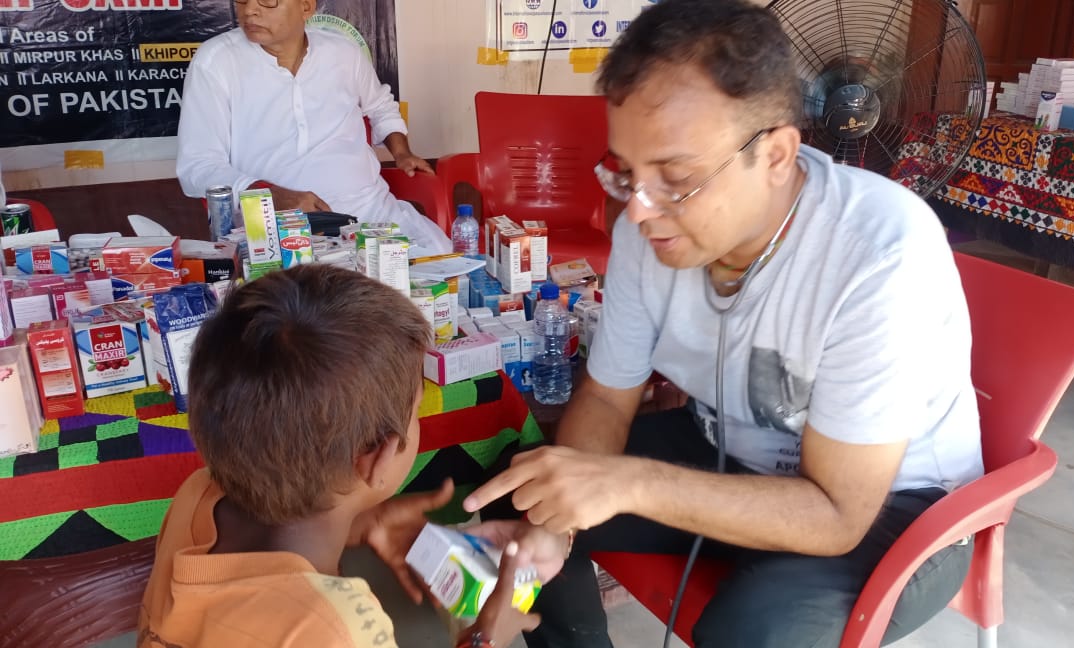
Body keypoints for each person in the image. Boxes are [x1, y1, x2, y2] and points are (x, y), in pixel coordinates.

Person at [461, 1, 986, 646]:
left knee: (751, 631)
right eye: (626, 173)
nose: (638, 212)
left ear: (775, 155)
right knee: (528, 490)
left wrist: (630, 483)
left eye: (676, 179)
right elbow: (604, 395)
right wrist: (552, 525)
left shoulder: (878, 250)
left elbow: (837, 515)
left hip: (893, 504)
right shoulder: (645, 228)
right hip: (730, 450)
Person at [137, 264, 553, 648]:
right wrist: (485, 639)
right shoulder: (338, 629)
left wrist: (360, 520)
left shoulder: (197, 495)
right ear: (377, 457)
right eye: (416, 409)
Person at [176, 0, 451, 253]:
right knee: (312, 301)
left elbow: (380, 106)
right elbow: (198, 165)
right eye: (243, 0)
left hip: (369, 212)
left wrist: (401, 152)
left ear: (306, 7)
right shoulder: (216, 62)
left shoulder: (343, 52)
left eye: (267, 1)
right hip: (276, 228)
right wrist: (269, 196)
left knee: (441, 263)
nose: (250, 11)